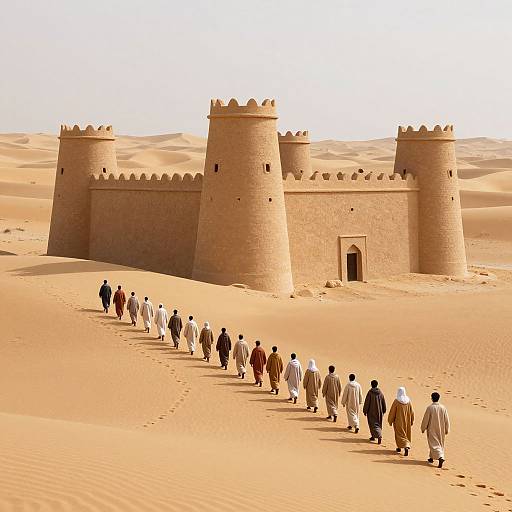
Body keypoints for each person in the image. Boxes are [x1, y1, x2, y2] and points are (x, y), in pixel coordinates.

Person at [421, 392, 450, 468]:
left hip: (432, 429)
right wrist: (447, 429)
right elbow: (446, 420)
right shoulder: (443, 408)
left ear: (432, 398)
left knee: (434, 444)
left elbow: (425, 419)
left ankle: (440, 457)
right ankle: (431, 457)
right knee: (438, 443)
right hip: (441, 430)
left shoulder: (430, 408)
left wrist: (423, 428)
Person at [388, 386, 415, 456]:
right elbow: (412, 412)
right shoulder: (408, 401)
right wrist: (412, 420)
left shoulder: (396, 401)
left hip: (398, 421)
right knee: (405, 434)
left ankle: (405, 446)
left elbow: (392, 412)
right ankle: (401, 447)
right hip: (407, 421)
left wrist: (390, 420)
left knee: (399, 434)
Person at [363, 380, 387, 444]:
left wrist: (365, 410)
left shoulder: (370, 393)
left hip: (371, 412)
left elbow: (367, 402)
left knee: (372, 424)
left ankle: (379, 436)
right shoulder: (380, 393)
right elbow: (383, 402)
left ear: (371, 385)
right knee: (378, 424)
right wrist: (384, 410)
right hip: (379, 412)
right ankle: (373, 436)